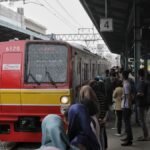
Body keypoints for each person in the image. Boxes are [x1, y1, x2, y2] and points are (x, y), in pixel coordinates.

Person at [136, 69, 149, 141]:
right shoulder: (146, 82)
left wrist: (136, 94)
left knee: (142, 120)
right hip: (145, 103)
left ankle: (146, 136)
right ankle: (145, 135)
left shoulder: (141, 82)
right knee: (143, 119)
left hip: (141, 103)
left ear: (138, 74)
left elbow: (141, 93)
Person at [121, 71, 133, 146]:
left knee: (127, 123)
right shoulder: (126, 83)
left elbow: (128, 96)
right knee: (126, 123)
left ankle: (129, 140)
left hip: (126, 106)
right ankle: (128, 137)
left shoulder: (126, 85)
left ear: (123, 76)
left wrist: (129, 107)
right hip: (125, 105)